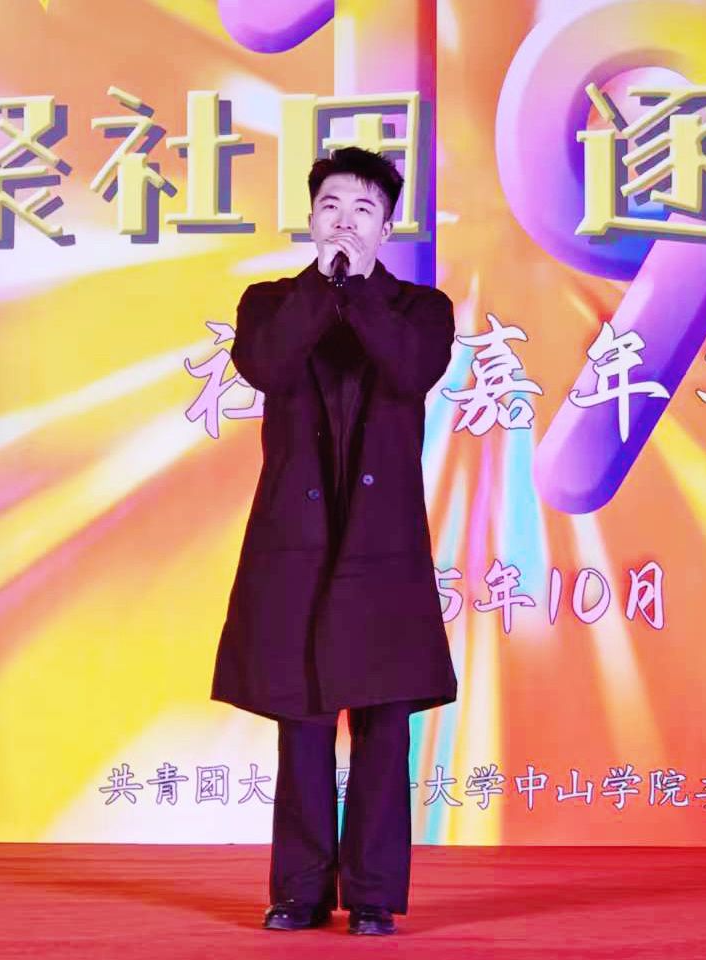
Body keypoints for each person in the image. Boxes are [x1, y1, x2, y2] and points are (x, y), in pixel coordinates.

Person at [210, 146, 457, 936]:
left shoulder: (421, 309)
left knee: (384, 721)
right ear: (311, 219)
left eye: (363, 212)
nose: (345, 223)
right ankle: (300, 890)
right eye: (331, 208)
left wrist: (360, 292)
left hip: (382, 547)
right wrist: (325, 288)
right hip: (299, 542)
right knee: (304, 718)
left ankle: (374, 894)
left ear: (386, 227)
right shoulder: (272, 303)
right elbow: (267, 366)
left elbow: (409, 370)